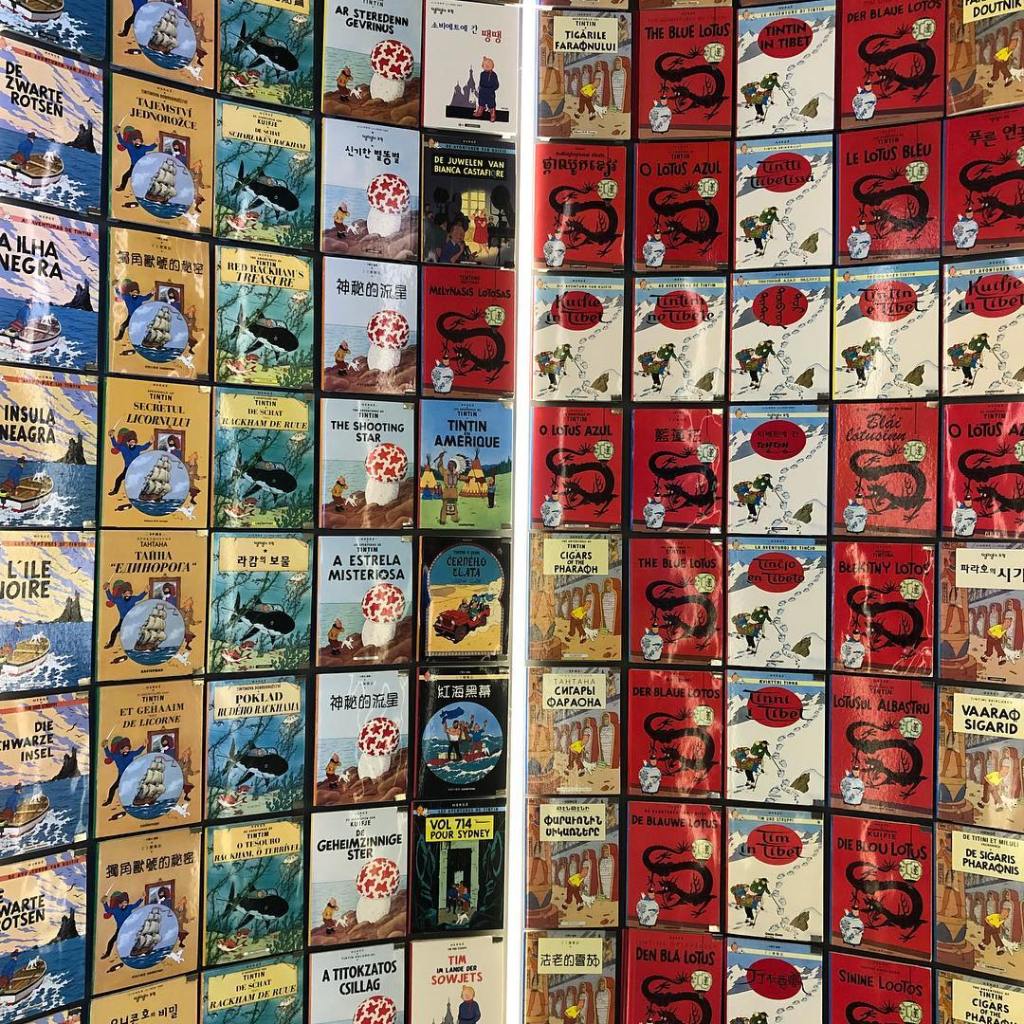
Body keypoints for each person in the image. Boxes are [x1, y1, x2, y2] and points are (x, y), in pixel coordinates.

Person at [102, 736, 145, 806]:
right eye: (125, 748)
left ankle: (138, 801)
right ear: (121, 748)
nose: (127, 750)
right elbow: (109, 755)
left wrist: (143, 746)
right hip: (122, 775)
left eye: (128, 748)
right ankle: (109, 801)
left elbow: (138, 752)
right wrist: (105, 747)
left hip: (130, 775)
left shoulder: (131, 754)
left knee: (134, 788)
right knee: (112, 788)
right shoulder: (117, 756)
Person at [108, 428, 152, 497]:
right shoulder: (124, 448)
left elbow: (144, 447)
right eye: (131, 442)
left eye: (134, 442)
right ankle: (115, 491)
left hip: (136, 468)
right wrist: (112, 437)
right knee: (118, 479)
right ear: (128, 443)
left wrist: (150, 442)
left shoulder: (138, 448)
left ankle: (144, 493)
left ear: (135, 442)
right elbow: (115, 445)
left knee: (140, 481)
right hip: (127, 468)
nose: (132, 443)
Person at [114, 125, 157, 192]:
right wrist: (118, 133)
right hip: (133, 166)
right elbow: (122, 142)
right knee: (125, 176)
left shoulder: (143, 147)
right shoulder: (130, 146)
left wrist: (155, 144)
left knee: (143, 179)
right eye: (136, 141)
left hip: (142, 166)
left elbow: (150, 148)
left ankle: (148, 189)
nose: (137, 142)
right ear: (133, 141)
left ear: (141, 142)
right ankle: (122, 187)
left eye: (139, 141)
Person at [101, 891, 143, 959]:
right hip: (120, 929)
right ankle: (107, 954)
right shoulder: (116, 910)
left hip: (129, 928)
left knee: (133, 940)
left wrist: (141, 898)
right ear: (119, 903)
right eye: (123, 903)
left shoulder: (129, 907)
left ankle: (136, 952)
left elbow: (136, 905)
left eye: (126, 903)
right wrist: (105, 903)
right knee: (111, 941)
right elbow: (108, 910)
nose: (124, 904)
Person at [475, 57, 499, 121]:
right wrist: (480, 87)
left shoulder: (494, 75)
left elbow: (496, 85)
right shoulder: (482, 74)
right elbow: (481, 82)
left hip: (490, 92)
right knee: (481, 102)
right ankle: (480, 111)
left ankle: (492, 114)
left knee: (491, 104)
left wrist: (491, 89)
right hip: (482, 91)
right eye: (484, 65)